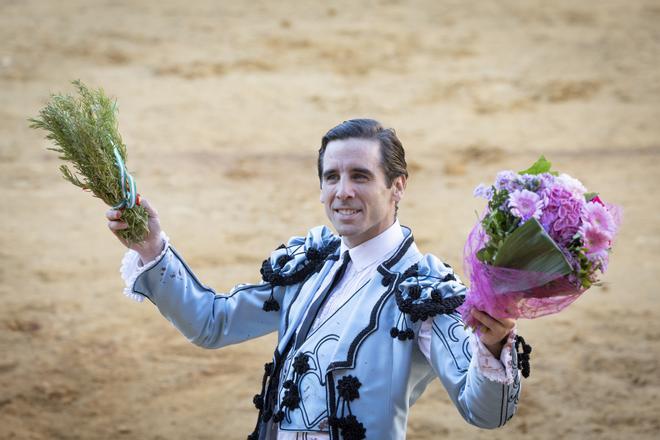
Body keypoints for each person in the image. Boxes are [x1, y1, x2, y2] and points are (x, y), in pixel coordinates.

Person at [107, 119, 524, 440]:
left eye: (360, 176)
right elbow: (212, 323)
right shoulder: (310, 264)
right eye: (331, 177)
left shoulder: (423, 291)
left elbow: (486, 412)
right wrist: (151, 247)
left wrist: (493, 344)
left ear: (397, 186)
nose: (342, 191)